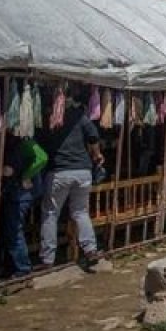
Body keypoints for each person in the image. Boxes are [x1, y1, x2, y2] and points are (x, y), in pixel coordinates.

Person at [38, 90, 104, 271]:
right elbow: (93, 136)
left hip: (59, 171)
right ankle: (90, 250)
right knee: (80, 212)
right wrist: (97, 154)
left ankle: (48, 259)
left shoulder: (47, 118)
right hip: (82, 171)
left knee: (51, 214)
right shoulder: (79, 116)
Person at [0, 135, 48, 278]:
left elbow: (43, 158)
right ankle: (12, 266)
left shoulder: (24, 142)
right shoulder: (23, 141)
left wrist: (25, 176)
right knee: (10, 230)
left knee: (14, 231)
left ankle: (23, 268)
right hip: (21, 193)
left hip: (20, 194)